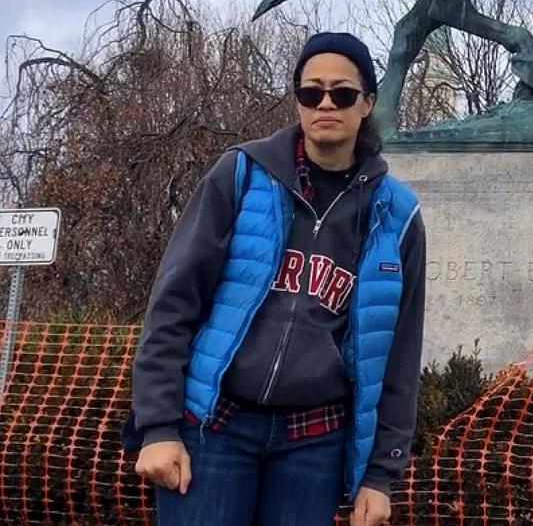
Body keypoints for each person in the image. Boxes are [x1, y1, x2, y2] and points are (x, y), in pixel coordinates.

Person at [124, 32, 426, 526]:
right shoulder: (240, 174)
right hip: (215, 428)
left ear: (367, 103)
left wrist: (380, 476)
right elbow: (174, 303)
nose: (325, 103)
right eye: (312, 92)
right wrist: (157, 426)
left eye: (343, 93)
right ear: (298, 101)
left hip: (315, 441)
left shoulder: (397, 215)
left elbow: (399, 353)